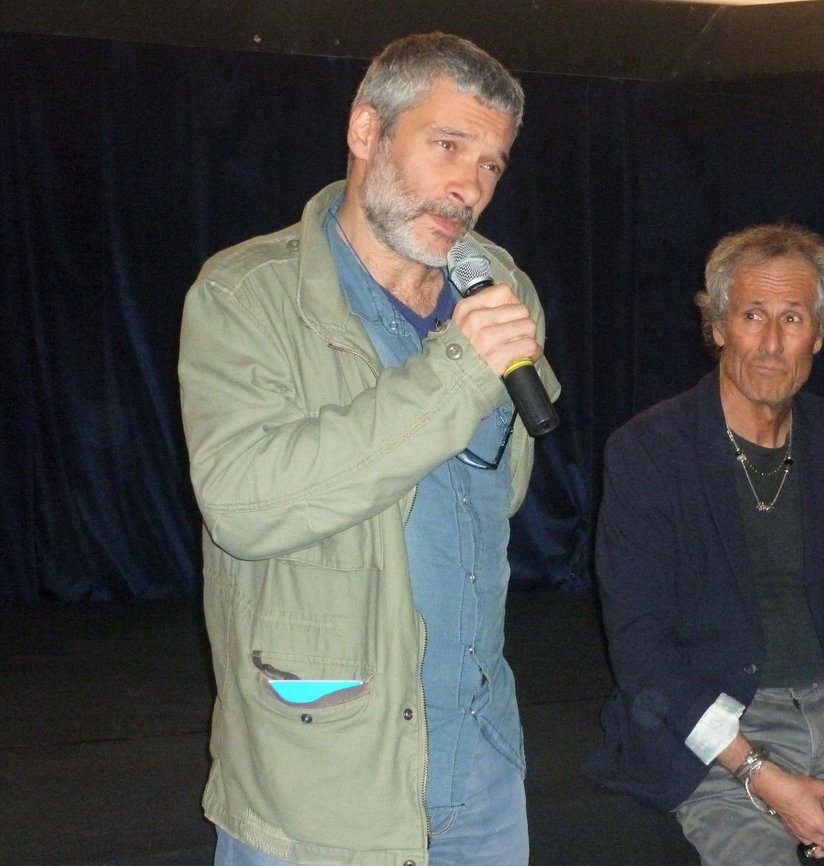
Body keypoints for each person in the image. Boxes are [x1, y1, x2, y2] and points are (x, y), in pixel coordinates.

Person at [178, 32, 559, 866]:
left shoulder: (499, 290)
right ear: (365, 131)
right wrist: (454, 369)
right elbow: (241, 504)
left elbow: (499, 494)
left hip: (480, 763)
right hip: (321, 767)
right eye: (447, 145)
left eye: (491, 164)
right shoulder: (249, 294)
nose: (469, 186)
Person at [583, 223, 824, 864]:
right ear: (718, 326)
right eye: (752, 316)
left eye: (792, 318)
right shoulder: (649, 448)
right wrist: (761, 776)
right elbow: (641, 648)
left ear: (818, 335)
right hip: (716, 734)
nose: (771, 343)